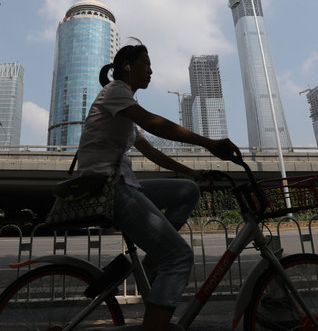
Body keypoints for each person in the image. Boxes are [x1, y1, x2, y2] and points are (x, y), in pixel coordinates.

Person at [77, 42, 241, 331]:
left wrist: (192, 172)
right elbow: (157, 125)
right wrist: (210, 143)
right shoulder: (117, 92)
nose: (151, 71)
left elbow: (152, 153)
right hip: (111, 189)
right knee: (179, 257)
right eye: (146, 64)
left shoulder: (124, 106)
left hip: (123, 184)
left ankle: (152, 262)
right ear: (127, 66)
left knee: (188, 190)